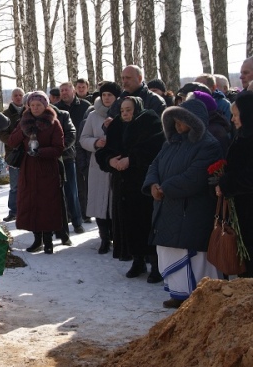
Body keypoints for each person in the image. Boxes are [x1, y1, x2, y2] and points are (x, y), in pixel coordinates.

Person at [143, 99, 223, 308]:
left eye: (181, 121)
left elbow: (194, 177)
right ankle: (178, 294)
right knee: (170, 252)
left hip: (192, 211)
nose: (177, 126)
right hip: (168, 208)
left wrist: (165, 188)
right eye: (175, 122)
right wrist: (152, 184)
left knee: (193, 257)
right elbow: (155, 164)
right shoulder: (171, 143)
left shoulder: (208, 145)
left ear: (194, 121)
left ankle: (199, 297)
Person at [96, 96, 165, 281]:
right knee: (128, 223)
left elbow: (153, 148)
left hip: (142, 183)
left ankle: (156, 264)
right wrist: (111, 161)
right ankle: (137, 260)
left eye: (129, 109)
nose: (125, 113)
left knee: (145, 222)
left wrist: (131, 159)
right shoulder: (117, 125)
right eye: (122, 110)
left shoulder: (149, 121)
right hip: (122, 183)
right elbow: (105, 150)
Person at [8, 91, 65, 254]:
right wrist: (22, 130)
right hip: (28, 167)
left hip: (47, 168)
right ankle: (37, 239)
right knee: (30, 202)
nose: (35, 108)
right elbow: (11, 141)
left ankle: (48, 240)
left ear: (45, 105)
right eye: (32, 105)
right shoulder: (23, 121)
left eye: (38, 105)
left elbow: (59, 148)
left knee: (47, 204)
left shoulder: (53, 123)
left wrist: (41, 151)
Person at [80, 82, 122, 254]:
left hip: (117, 163)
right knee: (99, 202)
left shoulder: (123, 113)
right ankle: (104, 238)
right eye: (104, 95)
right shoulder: (93, 115)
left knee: (115, 201)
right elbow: (83, 138)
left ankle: (117, 237)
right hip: (98, 164)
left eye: (110, 95)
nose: (106, 98)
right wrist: (96, 142)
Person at [215, 92, 253, 277]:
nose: (232, 119)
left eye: (236, 115)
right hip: (244, 212)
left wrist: (226, 183)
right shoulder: (243, 136)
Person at [57, 82, 89, 230]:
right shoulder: (56, 109)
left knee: (81, 185)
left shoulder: (85, 106)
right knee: (69, 186)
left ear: (73, 91)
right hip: (66, 152)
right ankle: (69, 215)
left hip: (83, 148)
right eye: (62, 90)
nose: (64, 92)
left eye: (66, 90)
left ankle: (85, 212)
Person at [0, 88, 25, 222]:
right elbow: (3, 134)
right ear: (12, 97)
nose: (18, 97)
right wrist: (14, 141)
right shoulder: (6, 114)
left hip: (28, 154)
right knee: (15, 185)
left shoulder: (29, 111)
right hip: (13, 154)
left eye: (20, 95)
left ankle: (27, 209)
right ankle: (13, 210)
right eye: (15, 95)